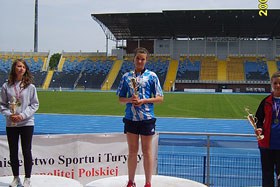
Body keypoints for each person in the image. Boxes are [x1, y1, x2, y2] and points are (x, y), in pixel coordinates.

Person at [117, 47, 163, 187]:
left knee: (147, 151)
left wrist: (143, 101)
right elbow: (120, 98)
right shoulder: (127, 76)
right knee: (132, 151)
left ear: (146, 60)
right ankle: (131, 182)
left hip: (147, 118)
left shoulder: (152, 76)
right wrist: (131, 100)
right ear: (134, 59)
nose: (140, 61)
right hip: (131, 118)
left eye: (143, 59)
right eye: (138, 58)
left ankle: (148, 182)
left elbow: (160, 98)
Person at [0, 59, 39, 187]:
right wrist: (9, 115)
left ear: (26, 69)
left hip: (27, 122)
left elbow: (34, 104)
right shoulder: (6, 86)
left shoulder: (30, 86)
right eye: (18, 66)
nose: (21, 68)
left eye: (23, 66)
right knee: (13, 151)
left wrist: (22, 115)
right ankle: (16, 177)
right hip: (11, 123)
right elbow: (2, 104)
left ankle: (27, 178)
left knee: (27, 150)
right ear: (14, 68)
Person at [255, 71, 280, 187]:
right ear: (272, 84)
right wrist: (259, 128)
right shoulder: (266, 101)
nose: (278, 85)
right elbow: (258, 119)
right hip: (266, 145)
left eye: (279, 83)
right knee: (267, 175)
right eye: (275, 83)